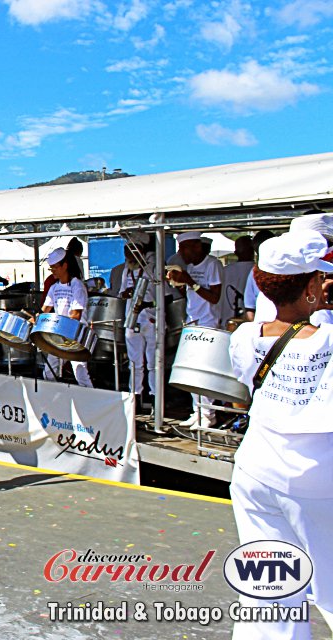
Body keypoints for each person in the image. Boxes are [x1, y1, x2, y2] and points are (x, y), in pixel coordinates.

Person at [228, 230, 333, 639]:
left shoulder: (243, 339)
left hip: (256, 470)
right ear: (310, 285)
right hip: (317, 477)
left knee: (267, 592)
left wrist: (309, 300)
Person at [166, 231, 223, 428]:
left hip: (207, 324)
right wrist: (179, 283)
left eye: (184, 249)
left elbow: (215, 297)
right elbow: (192, 293)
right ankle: (197, 410)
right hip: (192, 322)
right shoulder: (189, 267)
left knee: (203, 372)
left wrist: (190, 281)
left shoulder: (212, 265)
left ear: (196, 246)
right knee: (191, 371)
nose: (181, 253)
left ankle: (208, 414)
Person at [119, 234, 161, 407]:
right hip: (132, 320)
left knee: (153, 362)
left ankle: (155, 396)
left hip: (150, 319)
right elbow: (121, 293)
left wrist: (147, 304)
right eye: (126, 253)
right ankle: (135, 394)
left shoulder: (153, 269)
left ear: (140, 251)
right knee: (135, 362)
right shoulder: (126, 270)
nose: (128, 257)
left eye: (131, 252)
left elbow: (164, 298)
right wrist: (126, 294)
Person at [40, 248, 93, 387]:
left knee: (80, 372)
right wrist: (36, 320)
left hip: (75, 336)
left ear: (65, 265)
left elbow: (75, 315)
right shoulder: (54, 288)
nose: (53, 271)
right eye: (51, 269)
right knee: (48, 372)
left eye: (55, 268)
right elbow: (44, 310)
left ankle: (91, 402)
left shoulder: (77, 286)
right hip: (60, 335)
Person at [218, 236, 254, 324]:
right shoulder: (258, 270)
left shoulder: (224, 271)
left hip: (227, 321)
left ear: (235, 253)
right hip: (250, 323)